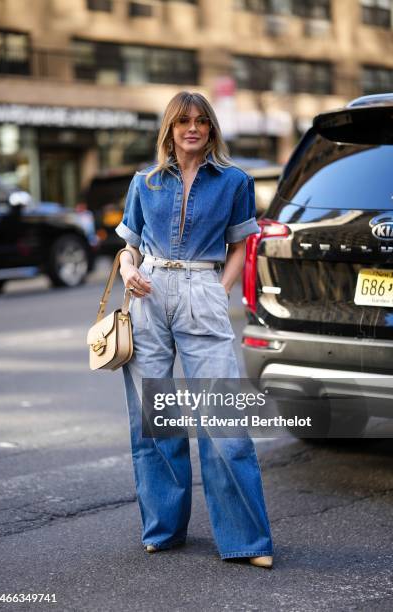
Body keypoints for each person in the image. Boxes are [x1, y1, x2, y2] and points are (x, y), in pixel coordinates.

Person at [116, 91, 273, 568]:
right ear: (169, 127)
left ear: (210, 129)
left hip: (201, 289)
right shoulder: (145, 181)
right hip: (149, 293)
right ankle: (164, 530)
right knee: (155, 421)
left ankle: (246, 541)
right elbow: (129, 246)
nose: (193, 128)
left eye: (201, 121)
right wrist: (128, 272)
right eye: (183, 120)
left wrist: (217, 290)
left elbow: (241, 247)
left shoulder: (233, 181)